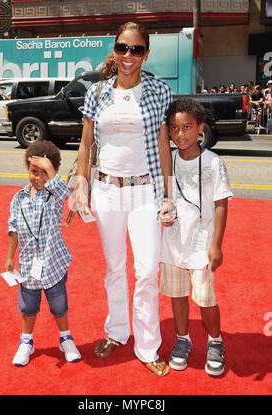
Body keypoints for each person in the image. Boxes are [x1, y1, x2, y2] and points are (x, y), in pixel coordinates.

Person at [74, 21, 173, 376]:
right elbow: (86, 144)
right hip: (105, 191)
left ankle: (148, 347)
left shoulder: (159, 90)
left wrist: (168, 193)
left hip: (145, 190)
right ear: (115, 49)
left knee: (147, 270)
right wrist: (81, 185)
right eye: (122, 47)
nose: (129, 56)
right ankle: (117, 330)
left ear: (146, 53)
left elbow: (164, 144)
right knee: (114, 268)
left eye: (137, 49)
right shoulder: (97, 92)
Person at [159, 97, 233, 376]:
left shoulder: (214, 163)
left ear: (200, 127)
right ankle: (182, 339)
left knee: (205, 298)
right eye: (174, 129)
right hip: (172, 242)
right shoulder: (168, 159)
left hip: (202, 244)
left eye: (187, 127)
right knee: (177, 296)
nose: (180, 134)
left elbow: (221, 203)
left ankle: (215, 342)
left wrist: (216, 245)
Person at [5, 140, 81, 366]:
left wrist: (49, 169)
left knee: (59, 305)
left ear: (54, 172)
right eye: (33, 172)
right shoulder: (18, 199)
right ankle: (26, 342)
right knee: (28, 307)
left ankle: (65, 339)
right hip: (28, 266)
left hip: (53, 264)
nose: (38, 178)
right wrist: (10, 257)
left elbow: (68, 196)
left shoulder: (54, 196)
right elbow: (13, 228)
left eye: (44, 173)